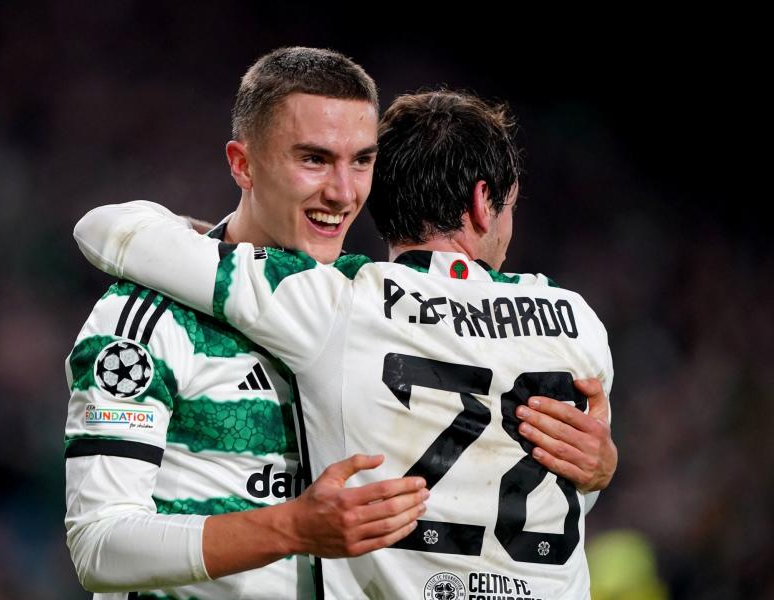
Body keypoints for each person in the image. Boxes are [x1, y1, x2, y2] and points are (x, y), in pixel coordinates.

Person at [73, 90, 615, 599]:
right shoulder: (578, 324)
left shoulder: (341, 304)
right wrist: (602, 466)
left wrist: (202, 237)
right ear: (482, 202)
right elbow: (559, 490)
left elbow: (113, 233)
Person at [64, 47, 429, 600]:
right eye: (314, 159)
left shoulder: (371, 305)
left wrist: (594, 470)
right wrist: (292, 527)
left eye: (361, 161)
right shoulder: (145, 320)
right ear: (242, 164)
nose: (344, 192)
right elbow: (100, 545)